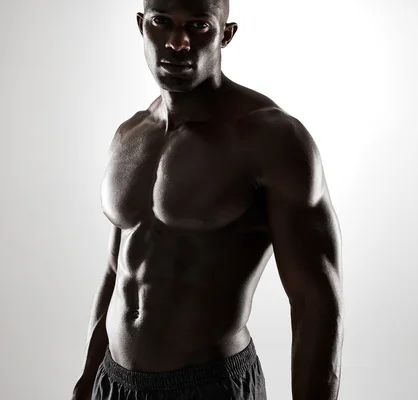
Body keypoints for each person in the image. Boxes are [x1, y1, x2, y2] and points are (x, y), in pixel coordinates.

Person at [70, 0, 343, 399]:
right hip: (114, 383)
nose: (178, 42)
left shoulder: (273, 140)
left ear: (225, 34)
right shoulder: (130, 133)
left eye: (198, 26)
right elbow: (117, 270)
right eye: (162, 22)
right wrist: (88, 379)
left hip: (209, 386)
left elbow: (316, 302)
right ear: (142, 25)